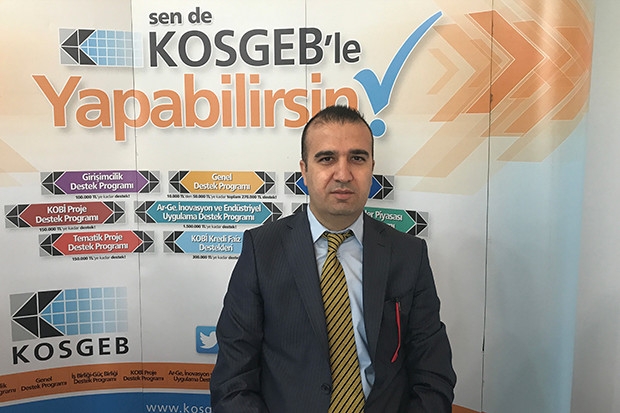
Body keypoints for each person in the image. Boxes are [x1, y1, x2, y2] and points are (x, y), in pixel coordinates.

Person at [210, 105, 456, 412]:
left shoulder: (408, 254)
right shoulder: (262, 251)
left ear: (372, 167)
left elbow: (433, 375)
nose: (343, 174)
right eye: (327, 159)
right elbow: (233, 380)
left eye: (357, 158)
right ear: (304, 170)